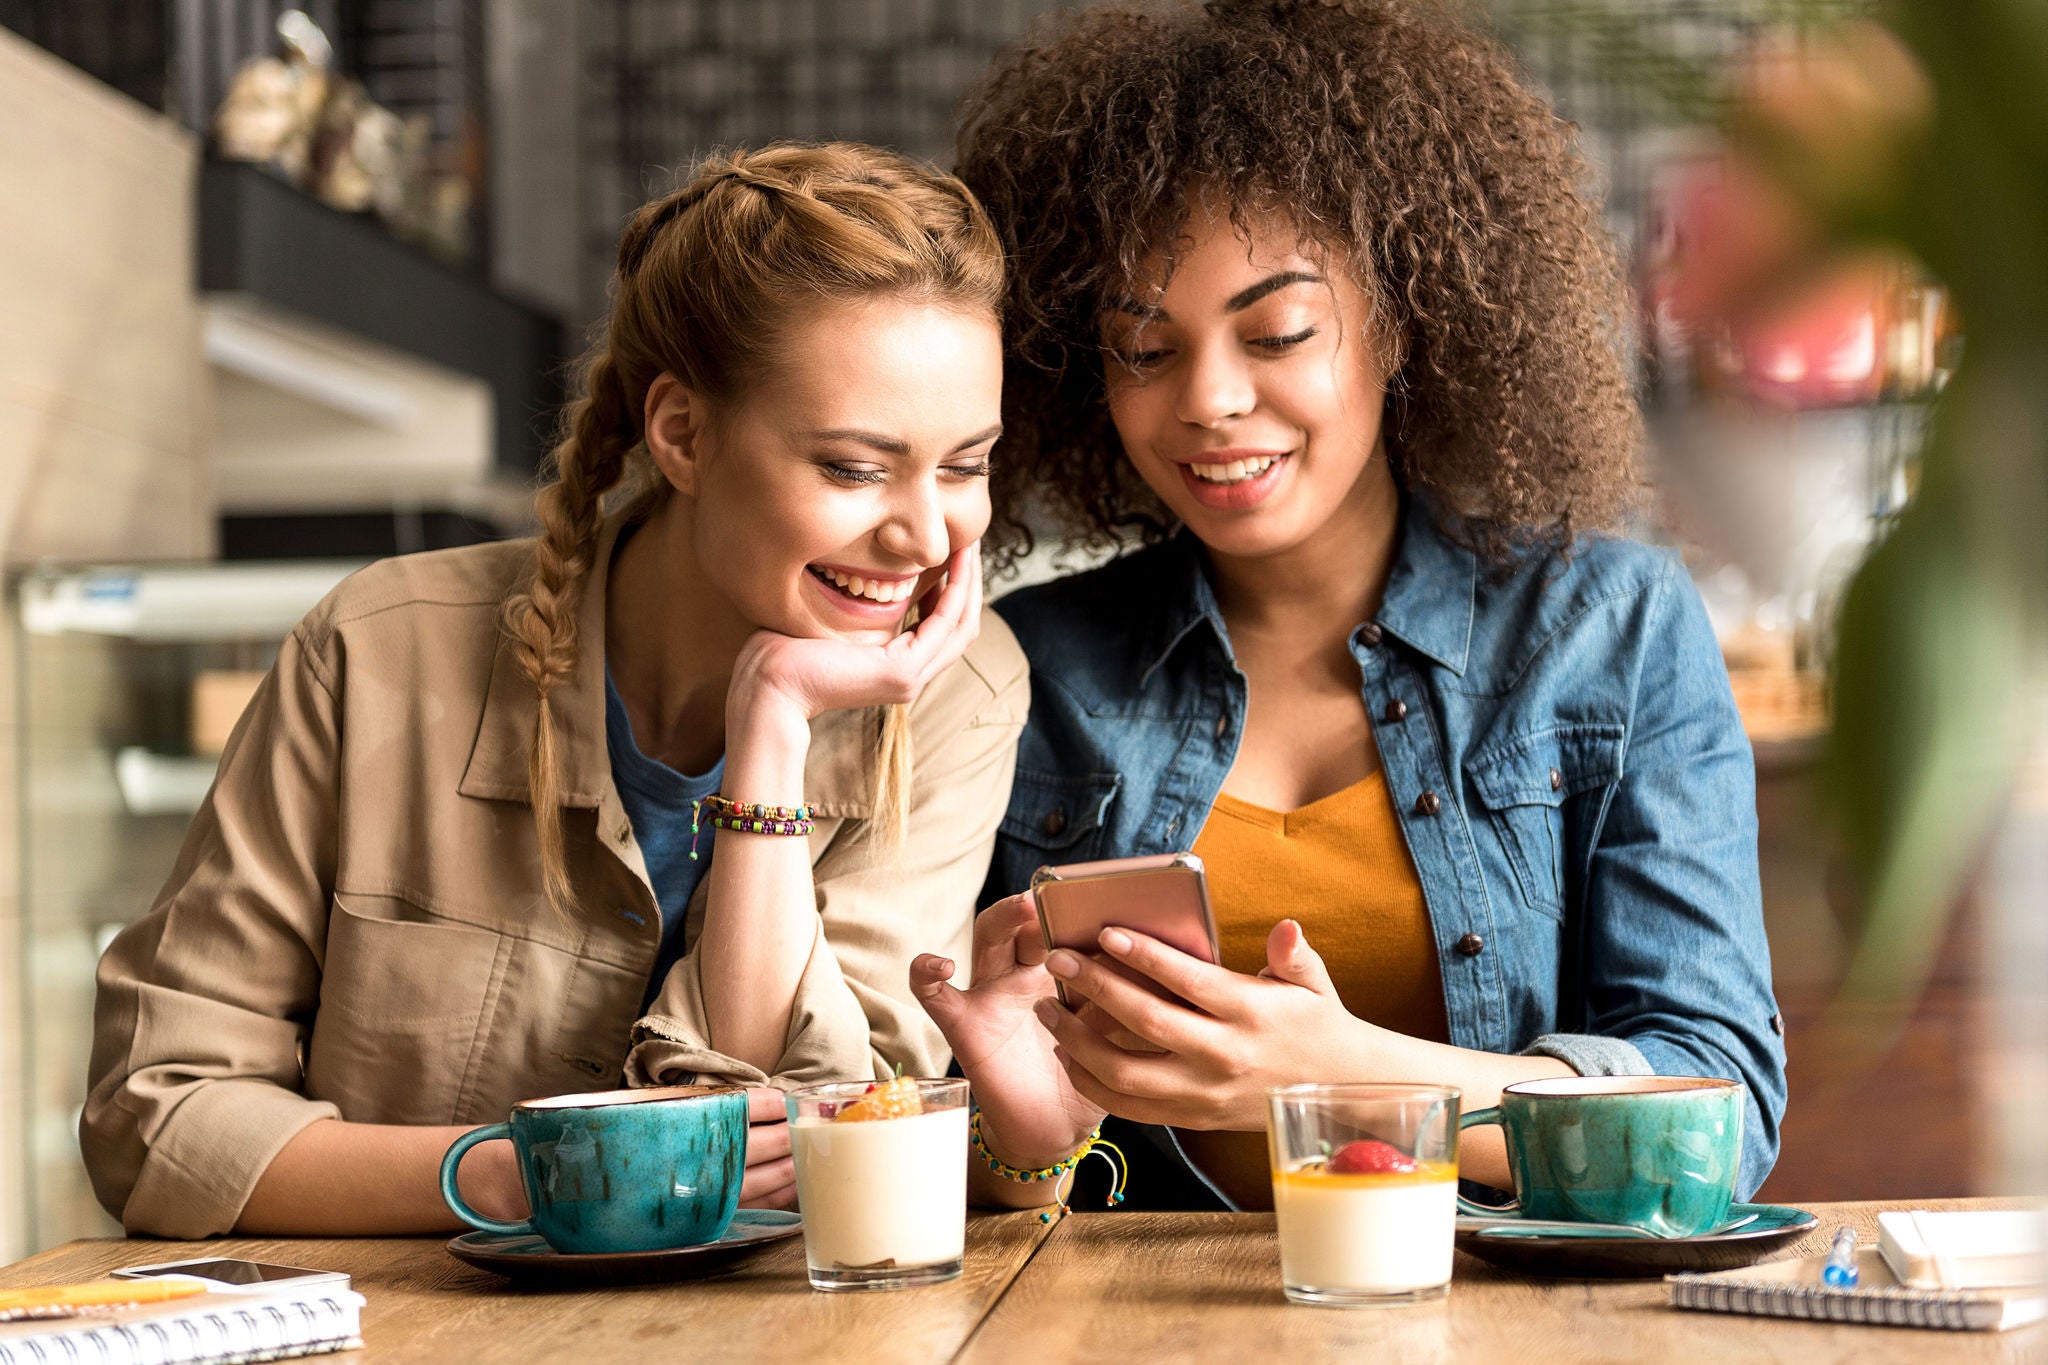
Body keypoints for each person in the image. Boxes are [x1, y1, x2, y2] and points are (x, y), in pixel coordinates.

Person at [914, 0, 1785, 1212]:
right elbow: (981, 1168)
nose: (1209, 400)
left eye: (1275, 331)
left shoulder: (1608, 630)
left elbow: (1719, 1121)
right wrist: (1022, 1140)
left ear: (1402, 318)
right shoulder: (1032, 675)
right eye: (1144, 350)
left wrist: (1345, 1077)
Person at [82, 143, 1031, 1237]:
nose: (924, 534)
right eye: (854, 469)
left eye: (964, 466)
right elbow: (155, 1115)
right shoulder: (377, 652)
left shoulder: (959, 692)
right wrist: (516, 1174)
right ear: (681, 433)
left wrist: (772, 716)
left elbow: (811, 1129)